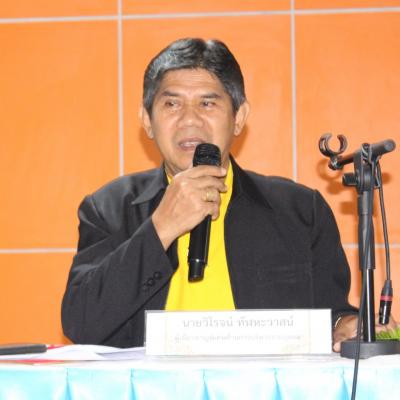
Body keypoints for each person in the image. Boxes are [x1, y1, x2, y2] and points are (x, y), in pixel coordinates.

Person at [61, 37, 393, 350]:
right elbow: (81, 325)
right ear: (147, 120)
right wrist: (160, 228)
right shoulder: (108, 208)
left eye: (208, 103)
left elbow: (331, 315)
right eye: (172, 104)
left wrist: (345, 325)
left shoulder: (301, 211)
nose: (189, 120)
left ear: (239, 117)